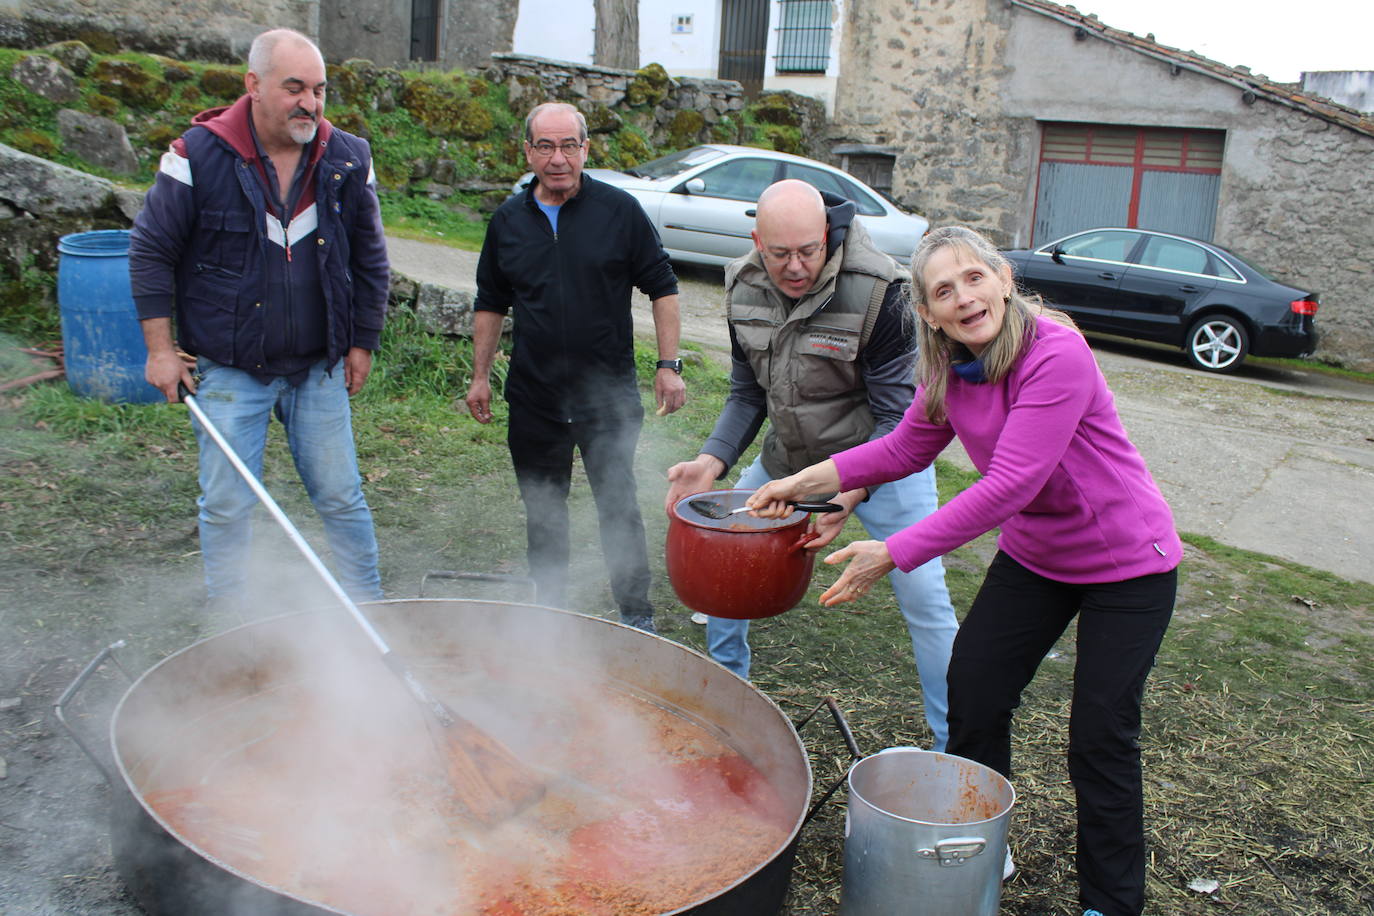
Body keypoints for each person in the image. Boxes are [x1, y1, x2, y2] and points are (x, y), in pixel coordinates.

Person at [747, 225, 1180, 916]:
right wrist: (807, 480)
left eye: (974, 278)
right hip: (1038, 558)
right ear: (926, 311)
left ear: (1004, 279)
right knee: (973, 693)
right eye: (944, 290)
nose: (964, 297)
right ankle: (976, 856)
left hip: (1127, 563)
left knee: (1099, 733)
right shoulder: (950, 368)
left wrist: (892, 552)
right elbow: (903, 447)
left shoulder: (1055, 353)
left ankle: (1111, 901)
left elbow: (1010, 484)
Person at [663, 179, 959, 751]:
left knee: (926, 603)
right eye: (780, 254)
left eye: (809, 250)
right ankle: (729, 704)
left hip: (887, 467)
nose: (796, 267)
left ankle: (953, 747)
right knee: (725, 564)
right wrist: (711, 461)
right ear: (757, 242)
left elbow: (900, 421)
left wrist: (848, 493)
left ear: (828, 235)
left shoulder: (881, 293)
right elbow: (748, 394)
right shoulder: (743, 287)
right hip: (789, 462)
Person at [130, 28, 390, 609]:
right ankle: (233, 626)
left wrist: (361, 343)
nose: (310, 103)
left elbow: (371, 260)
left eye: (319, 90)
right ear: (252, 85)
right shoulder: (196, 156)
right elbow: (151, 251)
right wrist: (160, 350)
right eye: (294, 87)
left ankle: (370, 610)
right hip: (229, 368)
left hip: (318, 368)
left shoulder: (349, 158)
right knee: (226, 503)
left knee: (341, 497)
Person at [465, 101, 686, 633]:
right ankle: (550, 613)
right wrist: (479, 376)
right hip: (535, 398)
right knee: (544, 511)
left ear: (586, 150)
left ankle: (635, 615)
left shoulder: (619, 211)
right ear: (528, 152)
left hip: (605, 399)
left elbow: (663, 287)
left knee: (618, 505)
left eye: (568, 146)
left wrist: (668, 364)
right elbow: (490, 301)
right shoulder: (508, 221)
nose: (558, 158)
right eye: (545, 146)